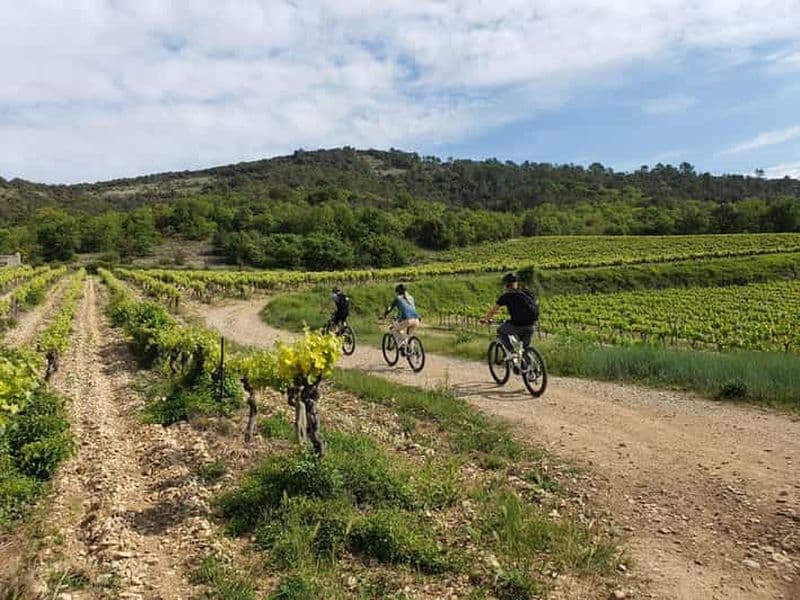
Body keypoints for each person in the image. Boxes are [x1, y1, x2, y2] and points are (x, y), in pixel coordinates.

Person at [480, 272, 539, 354]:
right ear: (516, 283)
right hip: (531, 325)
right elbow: (535, 304)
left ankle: (512, 352)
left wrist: (485, 319)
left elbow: (493, 311)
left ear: (506, 285)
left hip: (517, 325)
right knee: (524, 350)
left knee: (500, 330)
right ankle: (527, 361)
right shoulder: (526, 293)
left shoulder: (506, 296)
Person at [382, 284, 420, 351]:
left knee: (394, 329)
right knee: (409, 335)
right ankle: (411, 351)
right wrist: (399, 317)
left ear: (398, 292)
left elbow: (389, 308)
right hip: (416, 320)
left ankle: (402, 345)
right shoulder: (411, 298)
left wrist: (384, 315)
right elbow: (407, 309)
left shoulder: (398, 298)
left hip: (408, 320)